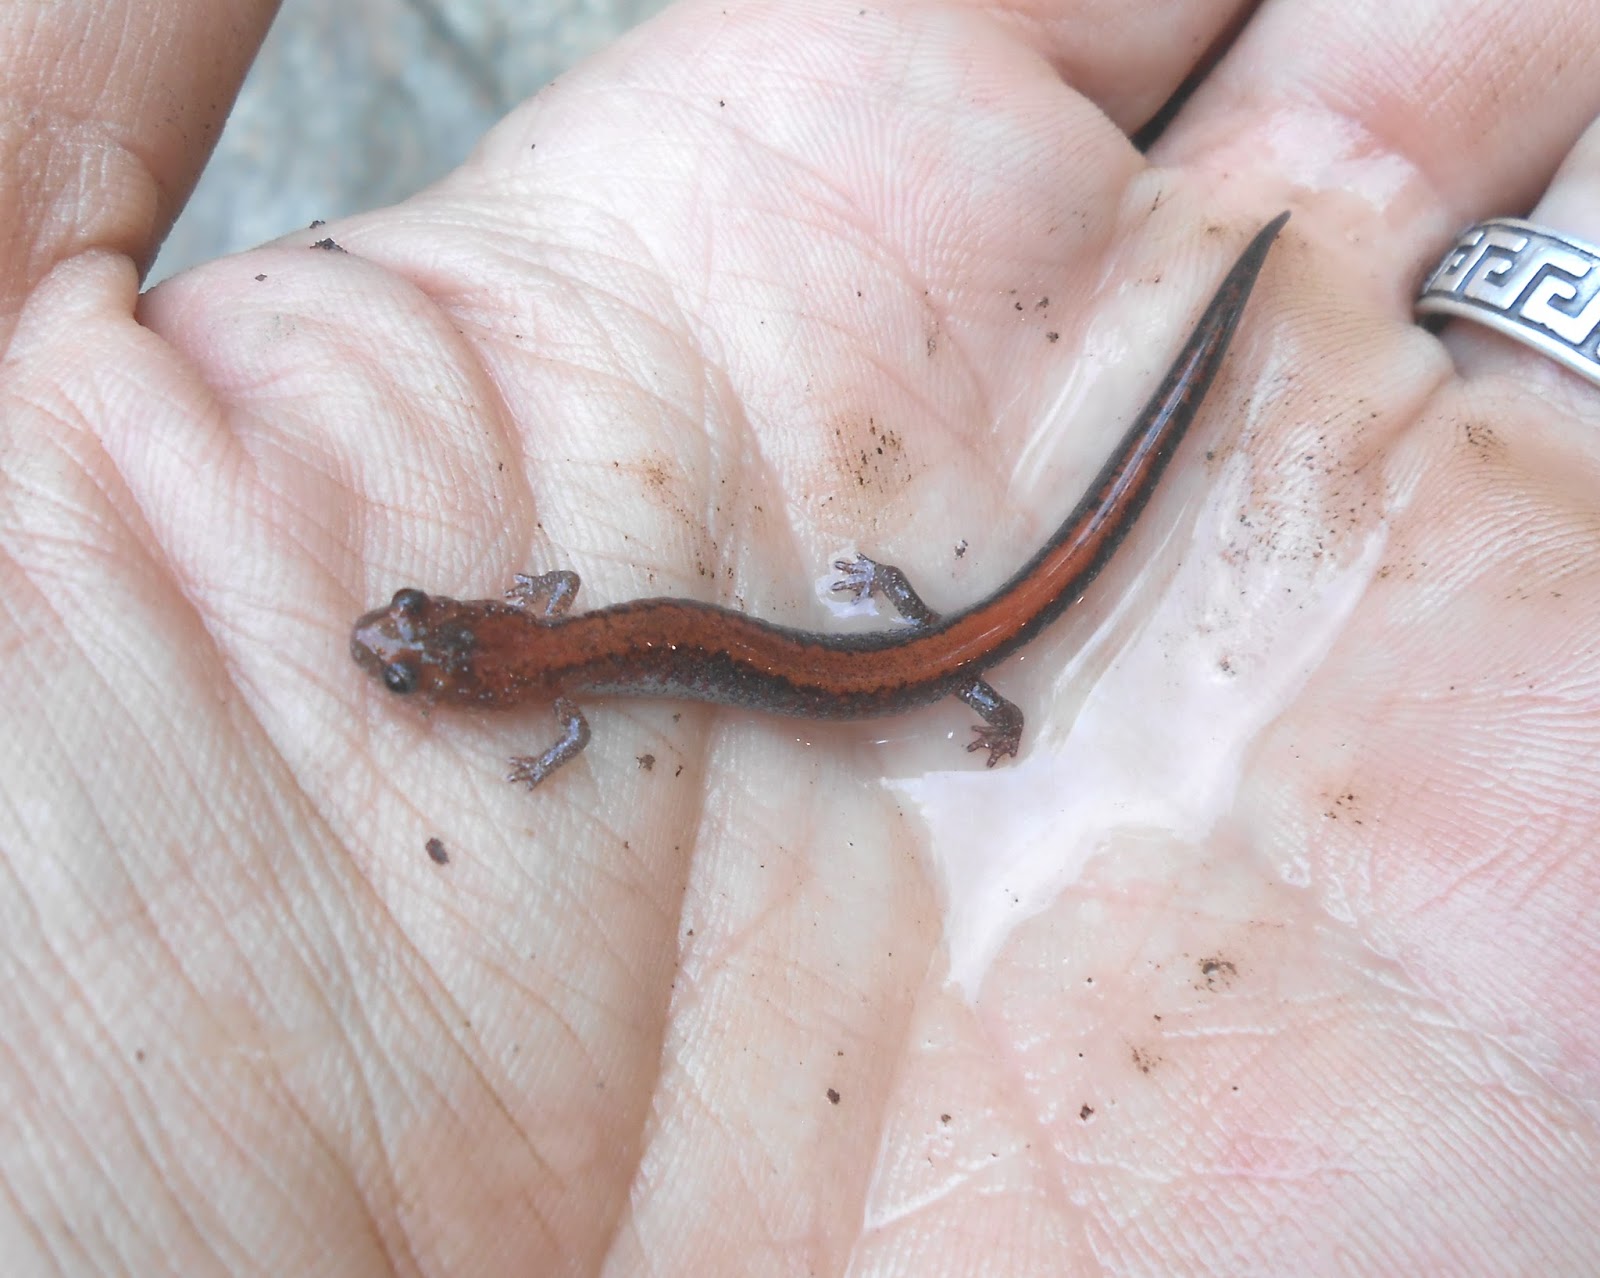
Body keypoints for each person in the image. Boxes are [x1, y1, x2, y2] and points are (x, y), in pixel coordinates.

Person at [4, 0, 1598, 1271]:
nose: (399, 641)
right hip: (903, 653)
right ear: (487, 657)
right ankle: (989, 622)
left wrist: (951, 701)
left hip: (922, 657)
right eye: (420, 653)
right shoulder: (550, 647)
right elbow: (555, 656)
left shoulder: (550, 688)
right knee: (972, 629)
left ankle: (1035, 586)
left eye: (415, 641)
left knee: (992, 634)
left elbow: (560, 718)